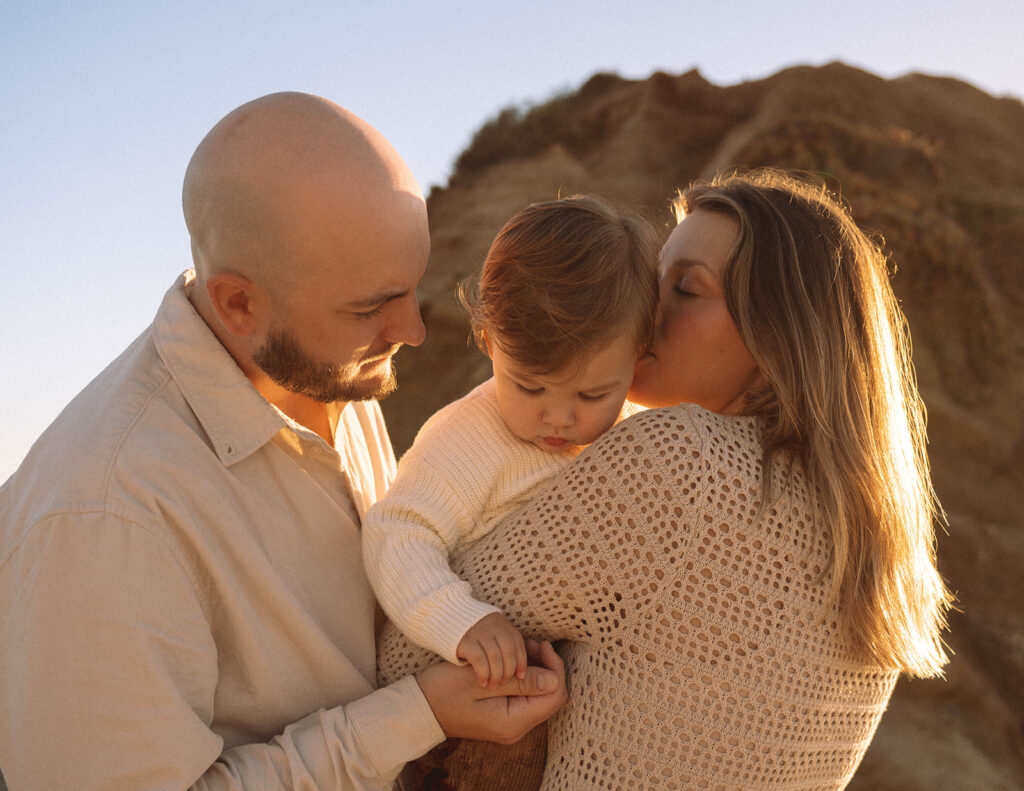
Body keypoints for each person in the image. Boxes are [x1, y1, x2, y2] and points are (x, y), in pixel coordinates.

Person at [0, 92, 566, 791]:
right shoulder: (102, 513)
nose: (411, 331)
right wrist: (417, 716)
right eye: (370, 306)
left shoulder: (327, 367)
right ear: (239, 303)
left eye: (410, 289)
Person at [378, 168, 953, 790]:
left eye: (686, 289)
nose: (648, 307)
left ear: (777, 337)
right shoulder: (881, 551)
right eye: (658, 279)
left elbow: (402, 658)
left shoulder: (682, 466)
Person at [363, 196, 658, 691]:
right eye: (529, 387)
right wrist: (462, 620)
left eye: (593, 394)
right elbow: (397, 532)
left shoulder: (637, 430)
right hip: (472, 680)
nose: (559, 417)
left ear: (639, 359)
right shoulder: (471, 436)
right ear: (489, 340)